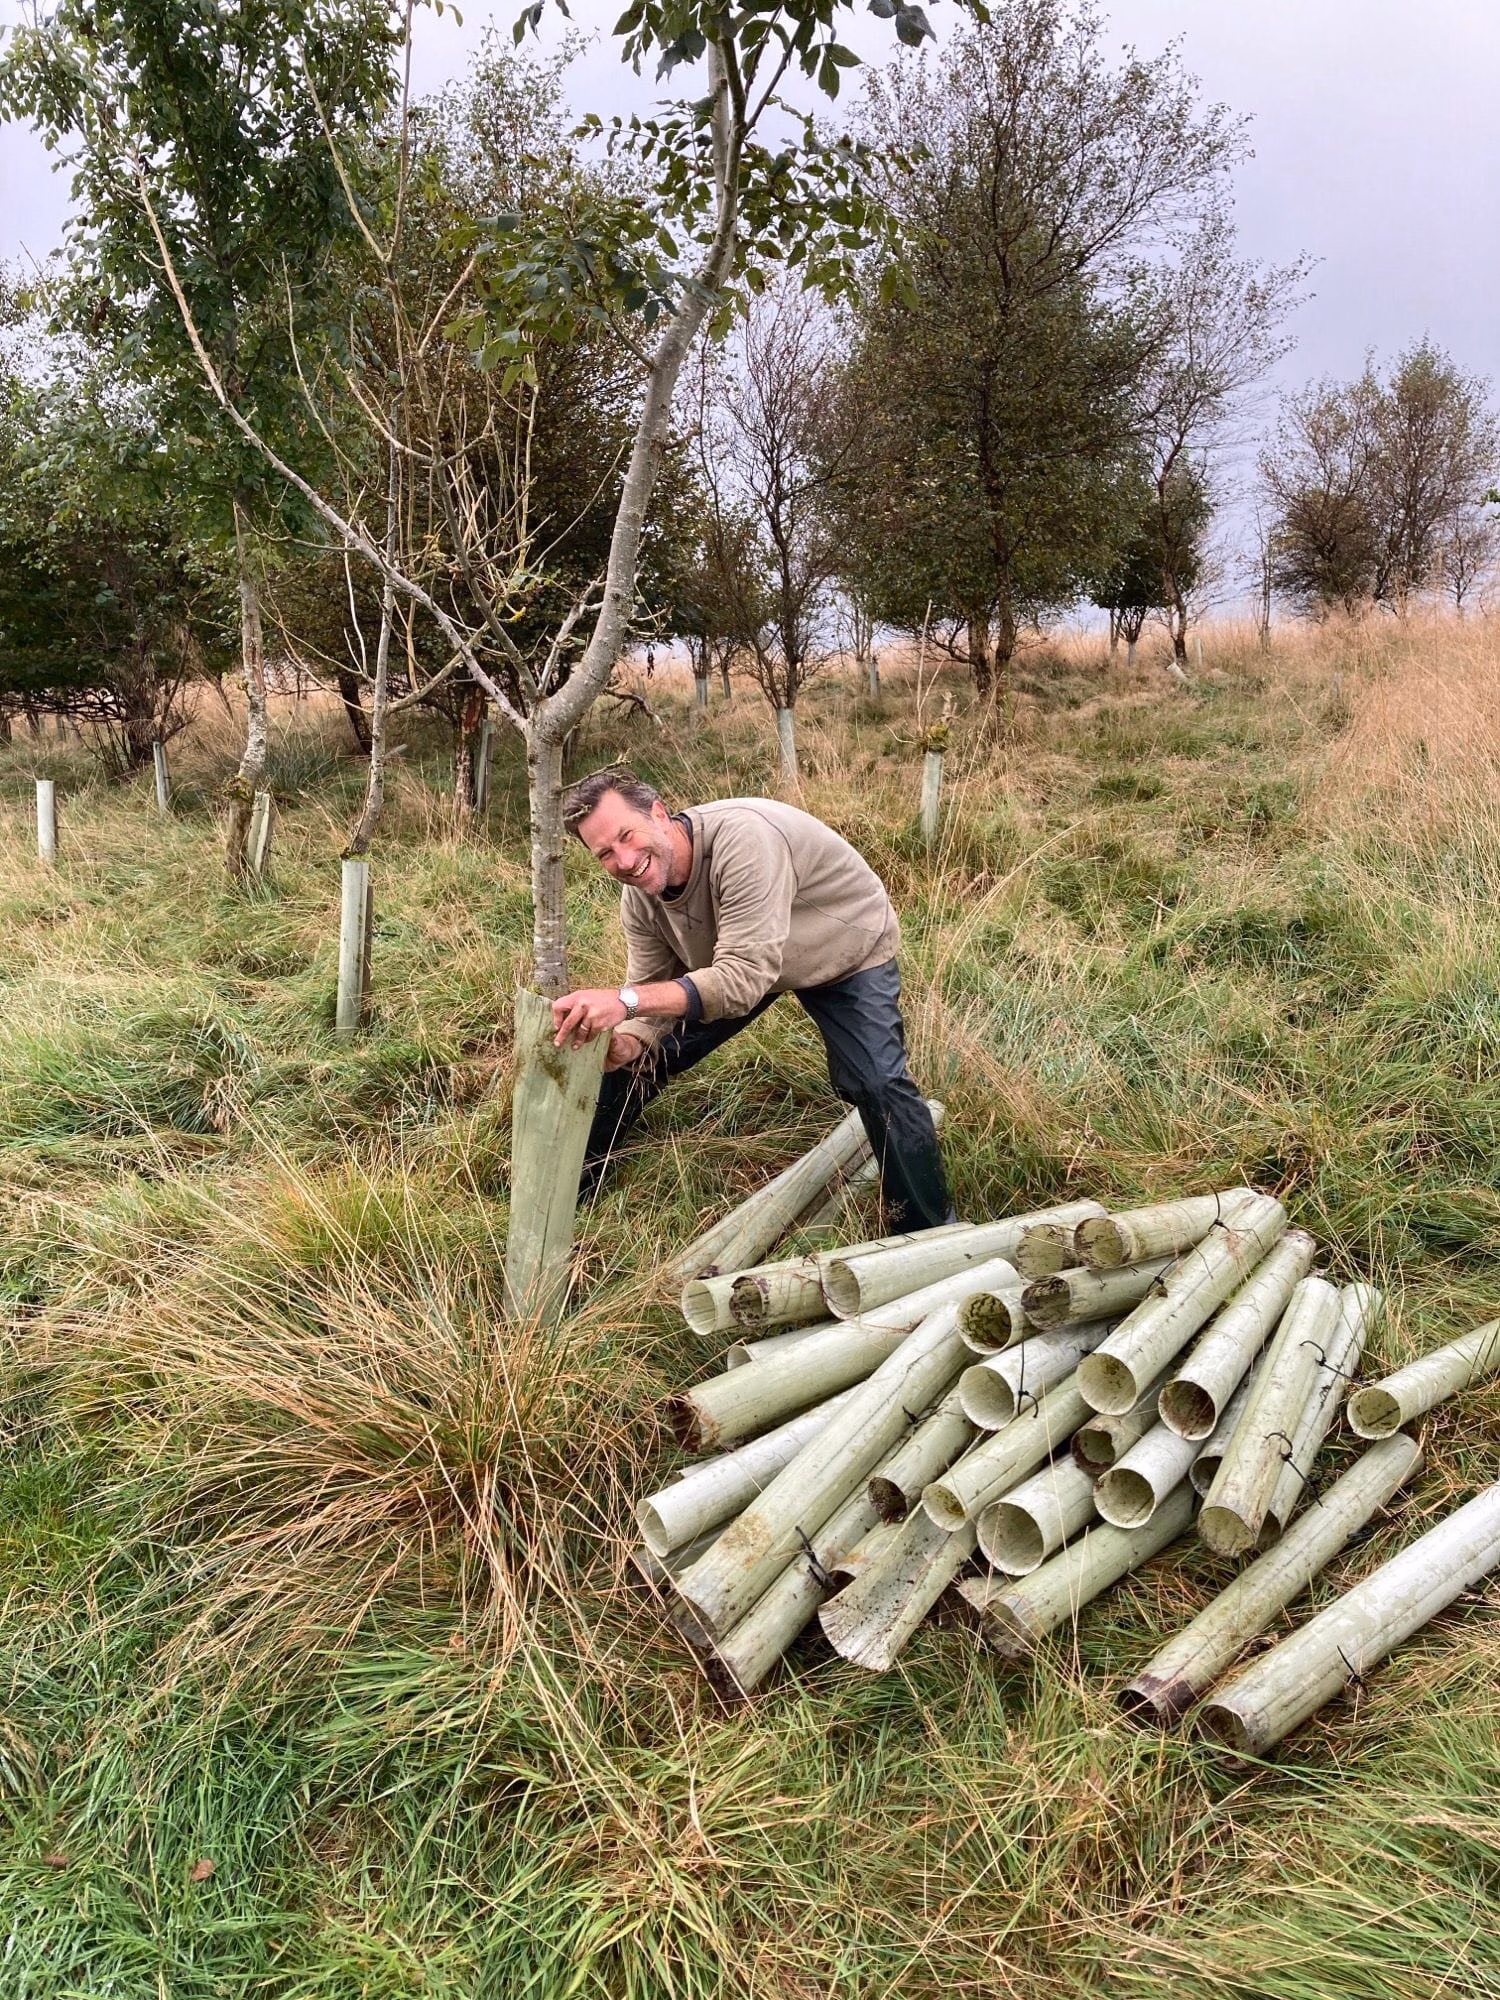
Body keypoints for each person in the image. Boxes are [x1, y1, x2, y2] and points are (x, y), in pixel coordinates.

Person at [550, 768, 952, 1232]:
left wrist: (626, 1002)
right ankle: (572, 1194)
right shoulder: (640, 896)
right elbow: (649, 983)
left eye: (626, 835)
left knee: (877, 1085)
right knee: (630, 1057)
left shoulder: (745, 841)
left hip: (840, 947)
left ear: (659, 814)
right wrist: (631, 1042)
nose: (624, 859)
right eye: (605, 853)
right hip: (741, 959)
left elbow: (739, 983)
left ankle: (927, 1230)